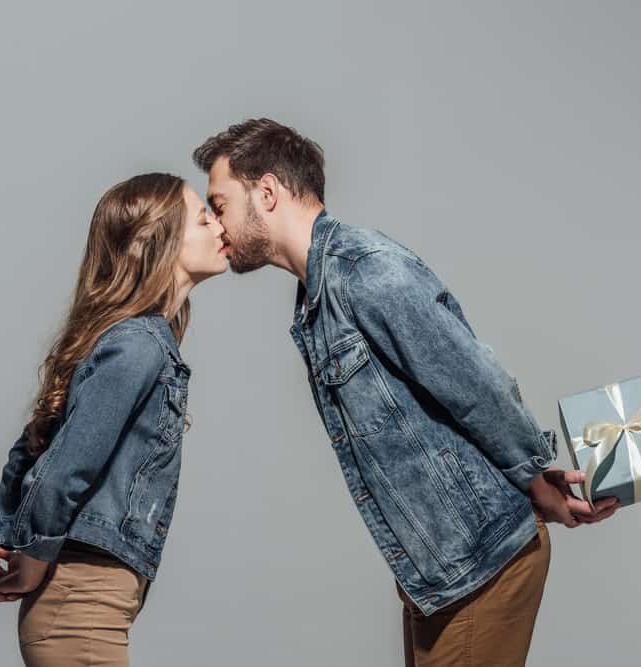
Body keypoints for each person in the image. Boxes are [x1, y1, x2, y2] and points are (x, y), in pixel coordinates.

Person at [191, 119, 618, 666]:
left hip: (483, 562)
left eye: (220, 203)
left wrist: (535, 479)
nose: (217, 225)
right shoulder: (317, 297)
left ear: (267, 192)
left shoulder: (363, 271)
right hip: (442, 573)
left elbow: (476, 384)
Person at [0, 172, 228, 666]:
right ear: (152, 240)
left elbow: (35, 449)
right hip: (79, 606)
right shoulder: (139, 345)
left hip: (84, 605)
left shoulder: (131, 340)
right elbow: (64, 468)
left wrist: (7, 540)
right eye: (202, 217)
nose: (220, 227)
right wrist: (32, 556)